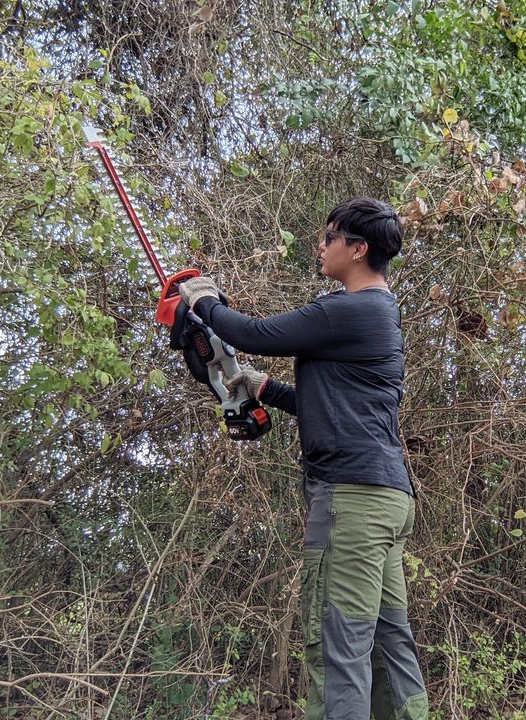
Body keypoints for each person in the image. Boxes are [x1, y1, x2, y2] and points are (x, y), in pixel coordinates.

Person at [176, 197, 429, 719]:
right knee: (388, 645)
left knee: (338, 645)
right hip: (386, 499)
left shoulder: (346, 309)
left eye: (330, 237)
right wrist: (265, 388)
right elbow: (342, 405)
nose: (321, 245)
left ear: (358, 250)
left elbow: (253, 333)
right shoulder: (380, 313)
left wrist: (202, 301)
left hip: (350, 502)